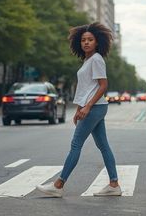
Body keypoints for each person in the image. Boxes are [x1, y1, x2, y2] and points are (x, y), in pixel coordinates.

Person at [36, 22, 121, 197]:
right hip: (95, 107)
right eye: (83, 40)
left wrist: (88, 107)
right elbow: (85, 87)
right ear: (79, 43)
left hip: (95, 107)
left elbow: (103, 85)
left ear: (97, 42)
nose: (86, 42)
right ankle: (114, 184)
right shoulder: (87, 60)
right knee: (103, 145)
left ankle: (58, 185)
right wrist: (78, 108)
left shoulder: (96, 59)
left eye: (90, 39)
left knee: (76, 145)